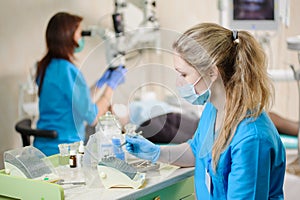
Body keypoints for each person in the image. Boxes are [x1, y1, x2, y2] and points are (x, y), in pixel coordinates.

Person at [125, 23, 286, 199]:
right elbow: (197, 151)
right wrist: (156, 152)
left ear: (211, 72)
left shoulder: (251, 139)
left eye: (184, 74)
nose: (179, 82)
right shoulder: (213, 108)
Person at [34, 12, 127, 156]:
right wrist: (111, 86)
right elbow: (92, 117)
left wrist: (101, 83)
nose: (81, 38)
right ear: (68, 36)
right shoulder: (67, 70)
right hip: (63, 149)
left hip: (43, 147)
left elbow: (75, 101)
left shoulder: (47, 66)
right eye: (80, 33)